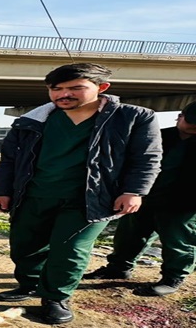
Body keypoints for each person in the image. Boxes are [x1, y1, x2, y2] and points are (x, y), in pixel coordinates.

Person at [0, 63, 163, 324]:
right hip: (33, 193)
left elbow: (147, 157)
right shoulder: (32, 120)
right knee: (26, 245)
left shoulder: (134, 117)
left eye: (75, 88)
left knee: (70, 248)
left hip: (92, 197)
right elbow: (10, 160)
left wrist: (134, 191)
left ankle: (55, 297)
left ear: (101, 88)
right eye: (56, 89)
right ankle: (30, 284)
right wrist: (1, 191)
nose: (63, 94)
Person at [83, 101, 196, 296]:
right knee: (129, 235)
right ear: (180, 116)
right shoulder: (159, 135)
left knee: (179, 241)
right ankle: (119, 267)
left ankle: (173, 277)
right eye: (191, 121)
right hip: (143, 197)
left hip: (182, 204)